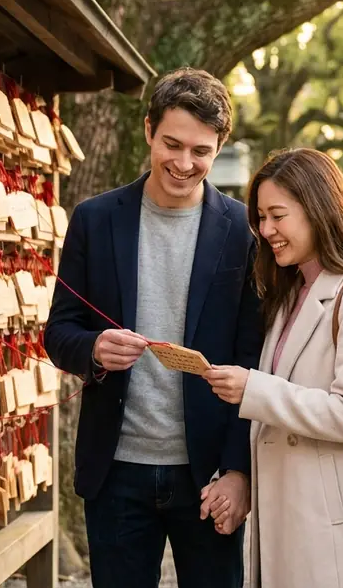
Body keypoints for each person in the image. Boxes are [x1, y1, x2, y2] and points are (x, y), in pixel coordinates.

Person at [44, 68, 263, 588]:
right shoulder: (95, 220)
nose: (184, 164)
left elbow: (255, 359)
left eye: (201, 151)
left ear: (219, 148)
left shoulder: (244, 232)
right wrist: (93, 347)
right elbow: (59, 331)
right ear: (148, 130)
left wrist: (240, 471)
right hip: (115, 469)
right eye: (172, 144)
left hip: (209, 475)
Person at [201, 147, 343, 588]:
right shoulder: (288, 297)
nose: (265, 230)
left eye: (278, 215)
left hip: (338, 526)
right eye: (261, 217)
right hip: (289, 519)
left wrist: (253, 390)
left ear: (318, 209)